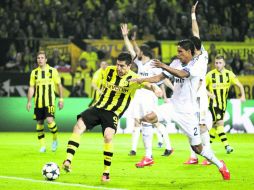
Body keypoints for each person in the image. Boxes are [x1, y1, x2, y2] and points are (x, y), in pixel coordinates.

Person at [130, 39, 230, 180]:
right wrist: (140, 80)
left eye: (180, 52)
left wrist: (163, 65)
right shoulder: (176, 63)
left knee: (198, 148)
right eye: (177, 51)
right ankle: (148, 156)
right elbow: (160, 76)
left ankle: (220, 165)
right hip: (172, 106)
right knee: (147, 118)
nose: (178, 55)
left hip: (188, 113)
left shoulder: (197, 64)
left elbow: (182, 74)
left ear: (189, 52)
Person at [62, 52, 162, 182]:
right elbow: (98, 80)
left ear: (129, 66)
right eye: (117, 65)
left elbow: (149, 84)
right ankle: (68, 160)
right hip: (98, 107)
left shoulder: (134, 78)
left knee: (108, 136)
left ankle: (106, 172)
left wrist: (156, 89)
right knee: (78, 126)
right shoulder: (108, 70)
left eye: (122, 66)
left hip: (113, 113)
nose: (119, 69)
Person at [121, 24, 173, 166]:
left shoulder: (153, 64)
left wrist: (172, 88)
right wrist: (126, 37)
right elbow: (132, 49)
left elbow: (164, 78)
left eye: (139, 51)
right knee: (139, 121)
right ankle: (144, 151)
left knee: (152, 121)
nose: (136, 52)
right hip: (139, 94)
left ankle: (166, 147)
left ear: (143, 53)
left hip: (149, 95)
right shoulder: (139, 62)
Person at [184, 1, 212, 165]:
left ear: (194, 48)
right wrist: (193, 14)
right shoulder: (198, 54)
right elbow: (196, 31)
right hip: (191, 92)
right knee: (191, 124)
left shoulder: (200, 58)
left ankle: (207, 156)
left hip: (199, 93)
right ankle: (193, 156)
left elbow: (196, 33)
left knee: (200, 124)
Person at [206, 54, 245, 154]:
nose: (217, 65)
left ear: (224, 64)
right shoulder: (210, 75)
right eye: (216, 63)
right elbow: (201, 87)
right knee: (220, 123)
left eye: (219, 63)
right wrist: (209, 94)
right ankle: (227, 146)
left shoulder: (229, 74)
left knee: (215, 126)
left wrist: (243, 96)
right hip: (213, 104)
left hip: (223, 104)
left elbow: (240, 85)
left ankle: (207, 148)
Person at [26, 50, 64, 153]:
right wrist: (29, 101)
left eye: (42, 58)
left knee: (50, 121)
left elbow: (59, 85)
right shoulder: (34, 72)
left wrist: (61, 99)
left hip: (50, 101)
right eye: (38, 58)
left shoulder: (53, 71)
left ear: (46, 60)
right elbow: (31, 87)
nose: (40, 60)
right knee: (39, 122)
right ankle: (42, 146)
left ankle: (55, 139)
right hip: (38, 102)